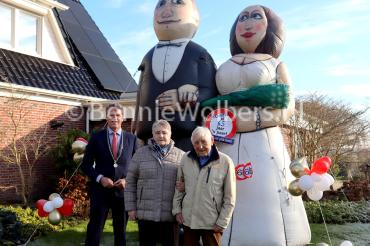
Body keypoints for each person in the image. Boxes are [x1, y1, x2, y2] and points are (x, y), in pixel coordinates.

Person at [202, 5, 311, 245]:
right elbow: (208, 104)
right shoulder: (223, 66)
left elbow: (286, 106)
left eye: (256, 17)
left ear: (272, 27)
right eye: (243, 18)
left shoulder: (276, 65)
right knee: (226, 191)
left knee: (265, 192)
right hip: (226, 141)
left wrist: (250, 121)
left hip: (263, 142)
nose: (248, 24)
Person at [133, 0, 218, 151]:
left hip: (186, 138)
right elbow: (140, 93)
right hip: (149, 138)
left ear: (195, 16)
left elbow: (211, 93)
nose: (166, 11)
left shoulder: (199, 54)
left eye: (177, 3)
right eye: (161, 4)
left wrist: (186, 99)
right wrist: (136, 124)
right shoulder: (148, 57)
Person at [81, 104, 137, 246]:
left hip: (122, 192)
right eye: (111, 115)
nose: (115, 118)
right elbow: (86, 165)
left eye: (118, 115)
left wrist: (127, 180)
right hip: (100, 192)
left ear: (123, 118)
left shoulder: (132, 139)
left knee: (120, 232)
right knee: (95, 229)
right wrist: (100, 178)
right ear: (107, 117)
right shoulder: (96, 137)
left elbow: (138, 167)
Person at [172, 127, 236, 246]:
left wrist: (222, 222)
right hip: (189, 220)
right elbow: (179, 187)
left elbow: (230, 197)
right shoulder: (185, 159)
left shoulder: (225, 162)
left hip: (212, 222)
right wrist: (177, 210)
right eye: (196, 142)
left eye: (203, 142)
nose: (200, 146)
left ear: (212, 140)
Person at [125, 120, 184, 246]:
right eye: (157, 133)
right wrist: (131, 208)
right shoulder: (140, 153)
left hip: (170, 215)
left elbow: (189, 182)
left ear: (170, 134)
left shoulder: (181, 156)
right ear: (152, 134)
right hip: (146, 214)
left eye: (164, 132)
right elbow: (130, 182)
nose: (161, 136)